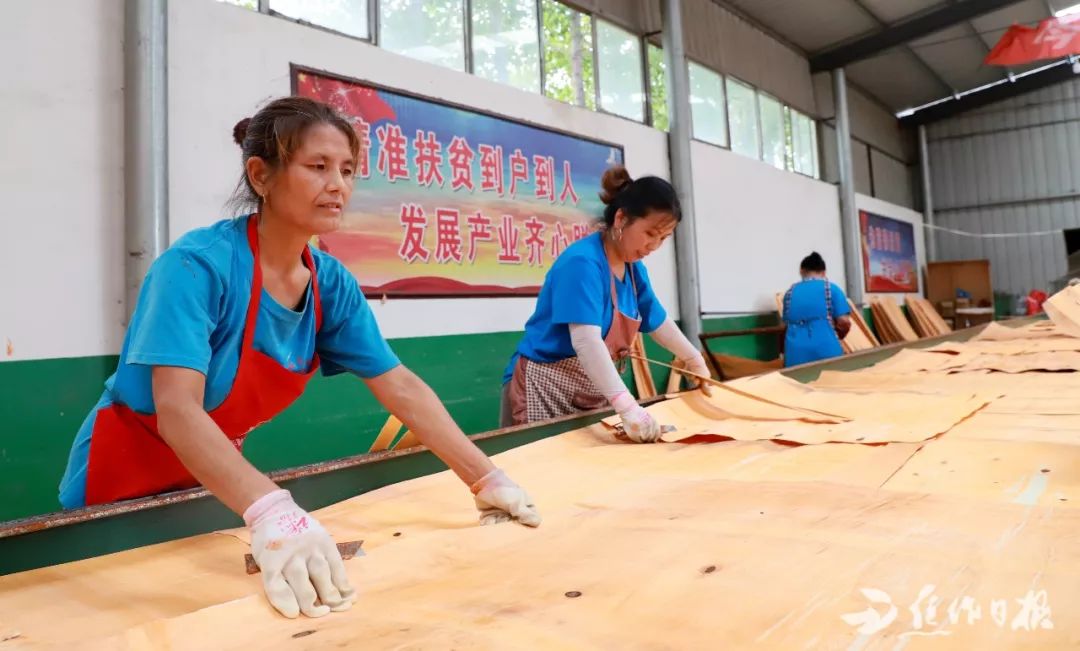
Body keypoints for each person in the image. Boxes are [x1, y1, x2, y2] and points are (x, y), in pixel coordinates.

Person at [57, 97, 539, 619]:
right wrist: (271, 510)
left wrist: (485, 478)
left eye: (348, 170)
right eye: (318, 167)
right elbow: (176, 409)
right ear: (261, 175)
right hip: (119, 478)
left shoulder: (330, 284)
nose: (338, 184)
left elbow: (398, 385)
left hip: (213, 482)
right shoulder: (196, 269)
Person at [499, 166, 712, 442]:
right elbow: (586, 341)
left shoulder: (634, 270)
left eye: (663, 238)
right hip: (542, 387)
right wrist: (626, 405)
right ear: (621, 218)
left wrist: (694, 360)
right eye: (650, 233)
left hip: (588, 389)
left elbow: (656, 320)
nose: (654, 245)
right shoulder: (583, 262)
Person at [781, 252, 852, 367]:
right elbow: (844, 322)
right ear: (824, 272)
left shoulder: (789, 293)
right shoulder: (832, 289)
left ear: (801, 271)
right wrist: (840, 336)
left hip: (796, 355)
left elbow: (785, 326)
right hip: (827, 352)